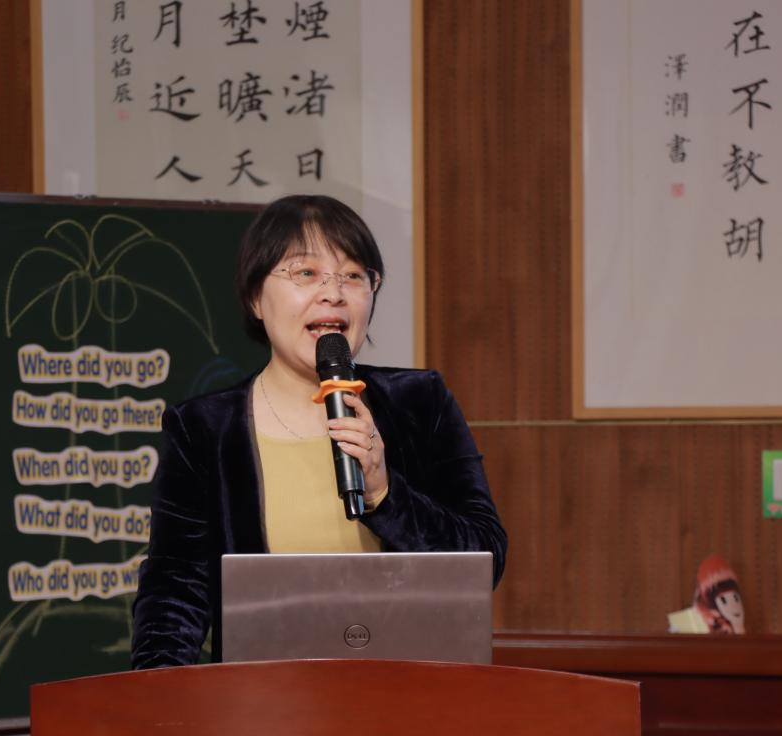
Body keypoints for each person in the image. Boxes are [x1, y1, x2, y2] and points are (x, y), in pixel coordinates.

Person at [130, 195, 507, 669]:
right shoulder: (204, 428)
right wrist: (160, 700)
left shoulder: (420, 401)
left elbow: (484, 561)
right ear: (255, 298)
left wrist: (385, 493)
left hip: (412, 692)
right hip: (267, 698)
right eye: (306, 273)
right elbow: (174, 593)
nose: (334, 293)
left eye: (353, 275)